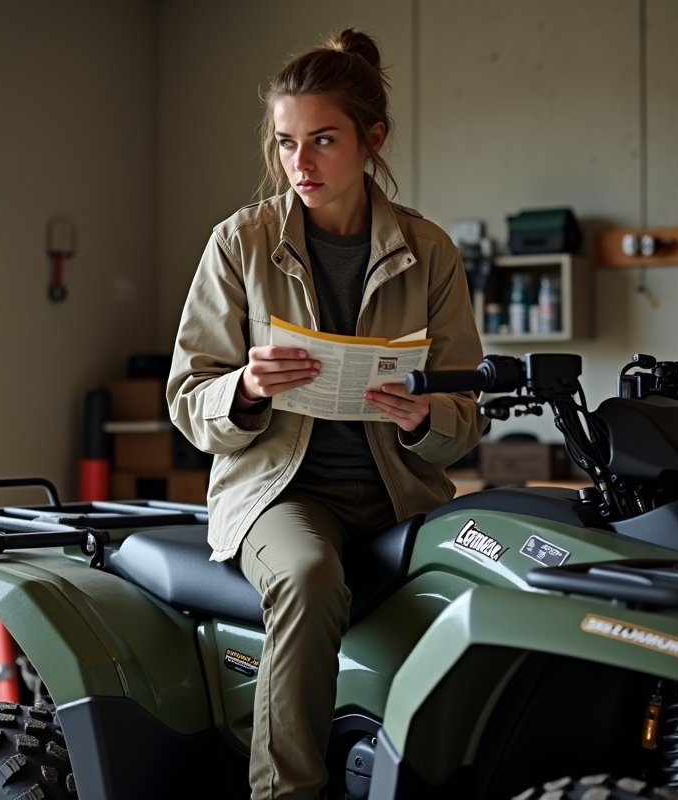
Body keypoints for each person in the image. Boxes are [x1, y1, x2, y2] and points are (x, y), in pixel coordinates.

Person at [167, 29, 487, 800]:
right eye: (285, 144)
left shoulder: (430, 250)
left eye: (323, 141)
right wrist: (244, 385)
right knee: (310, 576)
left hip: (399, 495)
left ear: (372, 139)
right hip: (281, 497)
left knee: (499, 569)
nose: (300, 164)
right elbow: (187, 397)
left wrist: (422, 416)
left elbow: (467, 414)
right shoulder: (239, 244)